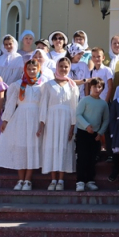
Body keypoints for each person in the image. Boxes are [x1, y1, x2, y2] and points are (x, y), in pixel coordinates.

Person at [0, 60, 45, 191]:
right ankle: (20, 179)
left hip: (35, 118)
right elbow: (11, 104)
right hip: (21, 118)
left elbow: (44, 106)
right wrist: (5, 120)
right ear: (25, 70)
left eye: (34, 69)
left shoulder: (42, 86)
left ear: (38, 69)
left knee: (32, 149)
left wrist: (42, 123)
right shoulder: (18, 85)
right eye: (29, 69)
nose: (32, 71)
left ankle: (28, 180)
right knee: (21, 148)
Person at [38, 57, 79, 191]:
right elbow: (43, 105)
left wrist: (73, 126)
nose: (63, 69)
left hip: (66, 120)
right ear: (57, 67)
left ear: (69, 68)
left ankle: (61, 179)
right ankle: (53, 179)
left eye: (66, 67)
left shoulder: (72, 86)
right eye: (61, 66)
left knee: (63, 147)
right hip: (52, 120)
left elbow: (74, 107)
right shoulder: (48, 85)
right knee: (52, 147)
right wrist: (42, 123)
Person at [74, 77, 109, 192]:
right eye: (95, 86)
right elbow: (78, 114)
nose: (97, 89)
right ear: (90, 87)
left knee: (92, 158)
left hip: (95, 135)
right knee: (82, 157)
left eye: (99, 87)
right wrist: (87, 126)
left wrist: (100, 133)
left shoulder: (103, 104)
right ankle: (80, 181)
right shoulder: (84, 100)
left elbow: (106, 120)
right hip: (83, 133)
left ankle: (90, 180)